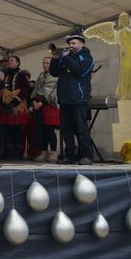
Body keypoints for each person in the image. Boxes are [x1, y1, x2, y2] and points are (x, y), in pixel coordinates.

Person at [50, 33, 94, 165]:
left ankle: (86, 155)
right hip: (65, 98)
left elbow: (80, 71)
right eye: (70, 43)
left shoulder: (86, 57)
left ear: (81, 43)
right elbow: (54, 72)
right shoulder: (67, 57)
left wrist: (66, 58)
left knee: (81, 129)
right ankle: (70, 155)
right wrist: (55, 59)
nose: (71, 46)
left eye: (74, 43)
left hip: (79, 98)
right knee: (66, 129)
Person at [0, 55, 30, 160]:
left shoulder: (21, 75)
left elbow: (25, 89)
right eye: (9, 60)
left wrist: (17, 99)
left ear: (17, 63)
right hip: (6, 104)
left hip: (17, 106)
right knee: (7, 129)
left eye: (12, 60)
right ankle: (8, 152)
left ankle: (16, 153)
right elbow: (0, 88)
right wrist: (4, 95)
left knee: (16, 129)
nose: (10, 62)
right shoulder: (5, 74)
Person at [30, 56, 59, 162]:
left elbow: (51, 91)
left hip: (50, 105)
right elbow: (36, 89)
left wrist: (41, 102)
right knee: (42, 130)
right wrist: (34, 100)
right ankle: (43, 151)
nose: (45, 65)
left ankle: (54, 152)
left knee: (50, 130)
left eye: (47, 63)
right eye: (44, 63)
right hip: (39, 106)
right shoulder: (41, 75)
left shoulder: (55, 74)